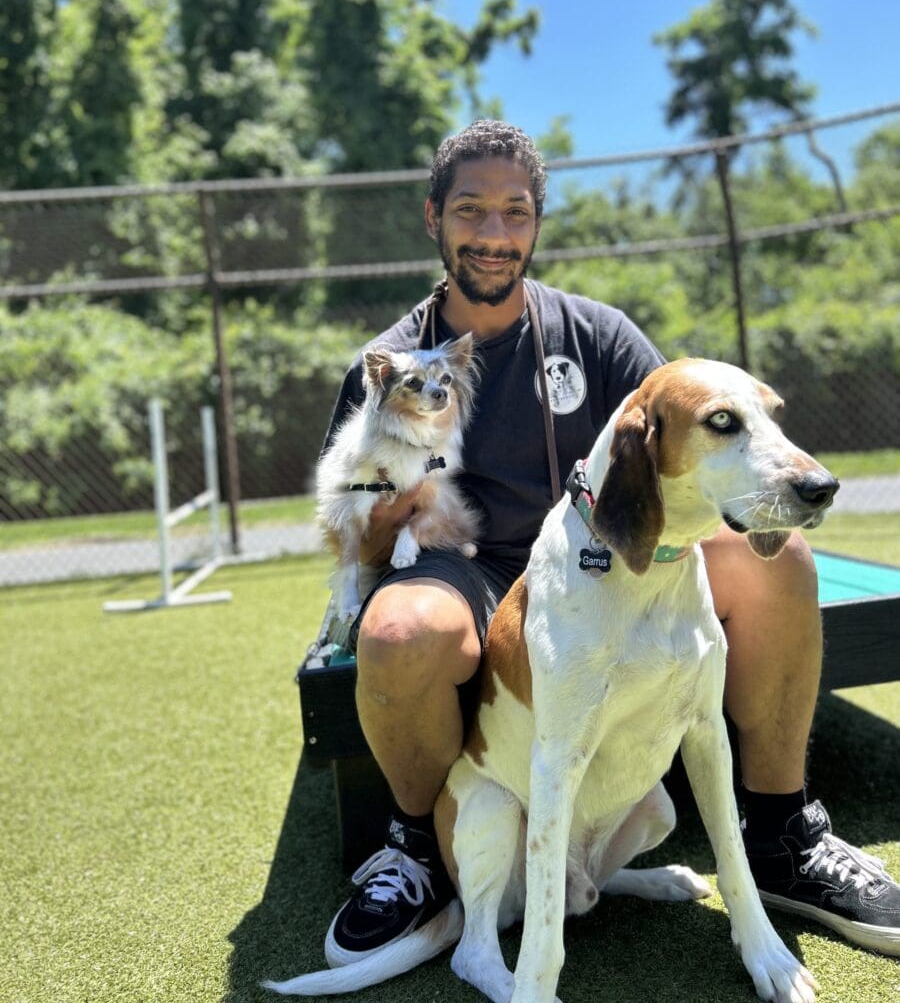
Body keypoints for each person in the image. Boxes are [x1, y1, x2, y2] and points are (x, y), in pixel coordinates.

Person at [319, 119, 900, 965]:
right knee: (400, 632)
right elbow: (357, 544)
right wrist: (383, 517)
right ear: (433, 217)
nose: (493, 233)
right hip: (466, 571)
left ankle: (782, 835)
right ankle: (421, 848)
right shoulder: (391, 365)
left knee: (783, 561)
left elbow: (697, 452)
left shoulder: (600, 337)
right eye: (471, 211)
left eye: (515, 212)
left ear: (537, 223)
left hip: (595, 554)